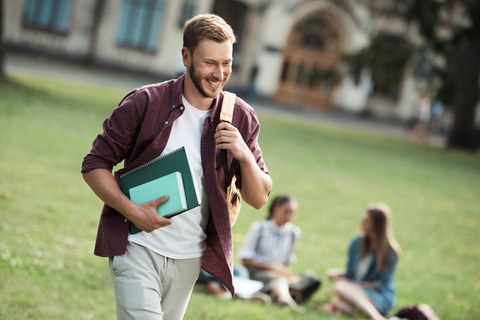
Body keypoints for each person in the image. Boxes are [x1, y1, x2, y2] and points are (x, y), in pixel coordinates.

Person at [81, 13, 272, 320]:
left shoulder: (240, 116)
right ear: (186, 56)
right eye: (210, 63)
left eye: (227, 63)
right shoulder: (145, 102)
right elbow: (94, 164)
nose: (219, 73)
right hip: (136, 247)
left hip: (189, 258)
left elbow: (259, 197)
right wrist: (131, 210)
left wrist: (245, 156)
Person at [238, 195, 320, 312]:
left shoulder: (293, 233)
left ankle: (276, 293)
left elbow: (287, 262)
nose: (290, 216)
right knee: (278, 280)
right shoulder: (259, 228)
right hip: (257, 271)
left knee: (311, 278)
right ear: (276, 208)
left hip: (280, 272)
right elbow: (246, 260)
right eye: (287, 212)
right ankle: (286, 301)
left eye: (293, 213)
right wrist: (275, 269)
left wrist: (288, 275)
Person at [320, 203, 401, 320]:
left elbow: (380, 285)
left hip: (379, 296)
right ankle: (373, 315)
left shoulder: (389, 252)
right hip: (358, 293)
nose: (362, 223)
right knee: (338, 300)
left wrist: (350, 283)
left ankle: (377, 317)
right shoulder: (357, 243)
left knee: (341, 287)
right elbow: (352, 273)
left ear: (377, 225)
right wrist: (339, 273)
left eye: (367, 220)